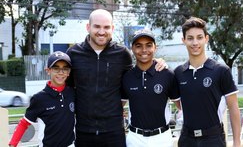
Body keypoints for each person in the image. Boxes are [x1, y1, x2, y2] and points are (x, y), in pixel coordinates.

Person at [66, 9, 166, 147]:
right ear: (88, 27)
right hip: (83, 132)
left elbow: (135, 75)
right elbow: (67, 87)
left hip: (114, 132)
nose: (102, 31)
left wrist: (156, 62)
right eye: (97, 26)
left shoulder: (122, 53)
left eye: (106, 27)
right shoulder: (73, 54)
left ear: (112, 28)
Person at [174, 17, 241, 147]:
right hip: (187, 139)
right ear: (183, 41)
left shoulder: (221, 71)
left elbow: (233, 107)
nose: (195, 42)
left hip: (213, 139)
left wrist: (237, 142)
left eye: (199, 37)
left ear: (206, 39)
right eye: (190, 38)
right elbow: (179, 104)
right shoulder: (178, 72)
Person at [121, 29, 181, 147]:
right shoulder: (127, 77)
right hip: (135, 138)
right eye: (139, 46)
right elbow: (118, 106)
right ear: (132, 49)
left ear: (155, 47)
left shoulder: (168, 74)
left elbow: (180, 106)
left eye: (148, 45)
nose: (144, 50)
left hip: (162, 138)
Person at [9, 51, 75, 147]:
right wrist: (12, 144)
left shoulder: (72, 93)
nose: (61, 72)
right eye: (56, 68)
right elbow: (24, 123)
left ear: (69, 72)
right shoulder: (39, 98)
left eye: (65, 69)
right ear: (48, 70)